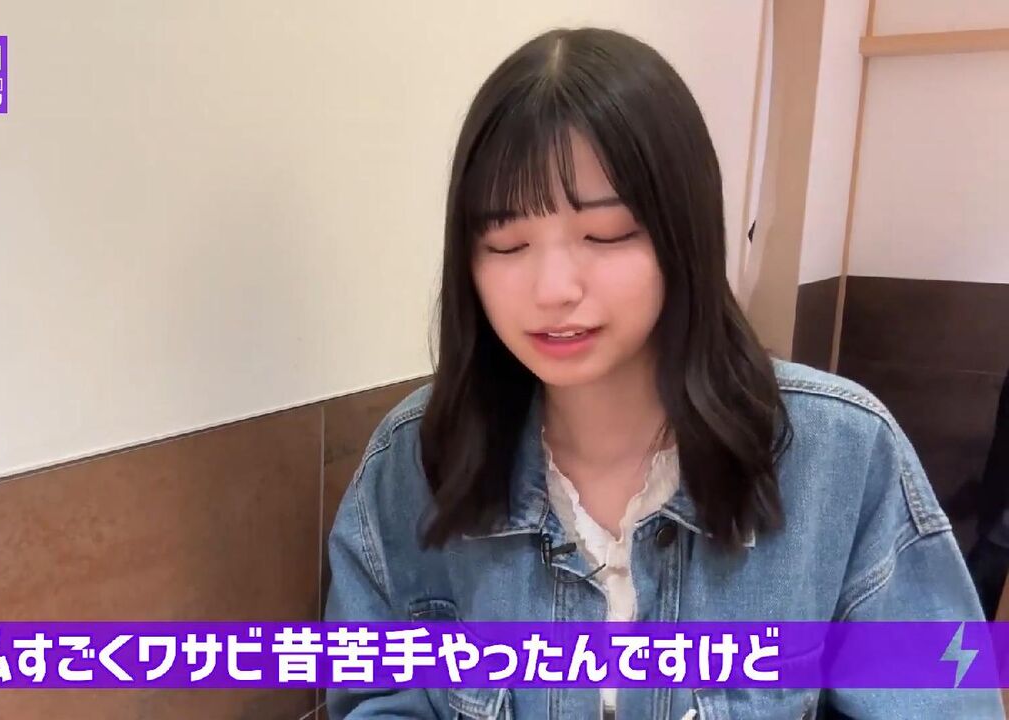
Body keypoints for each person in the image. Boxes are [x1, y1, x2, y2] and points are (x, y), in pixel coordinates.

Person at [323, 27, 1001, 719]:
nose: (553, 288)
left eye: (606, 234)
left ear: (685, 234)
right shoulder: (413, 463)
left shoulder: (840, 456)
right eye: (507, 243)